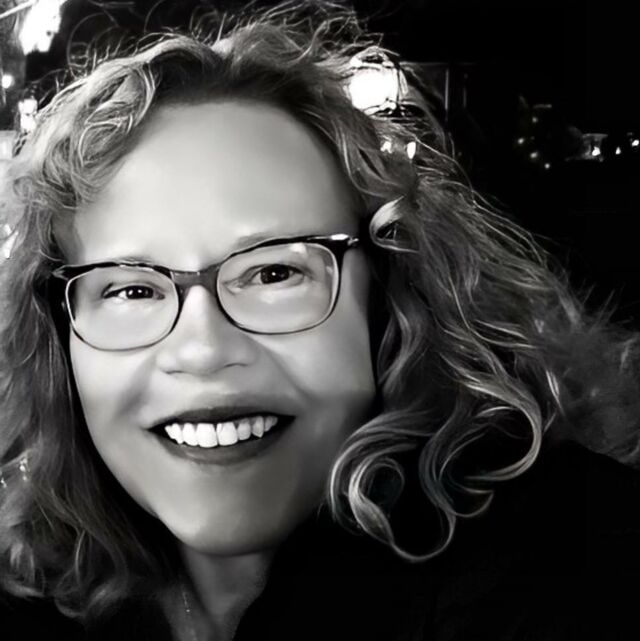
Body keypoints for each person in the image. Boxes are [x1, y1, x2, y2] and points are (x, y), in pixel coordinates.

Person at [1, 3, 639, 640]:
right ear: (59, 341)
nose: (202, 349)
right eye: (132, 289)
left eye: (274, 273)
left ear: (388, 295)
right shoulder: (33, 585)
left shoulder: (565, 558)